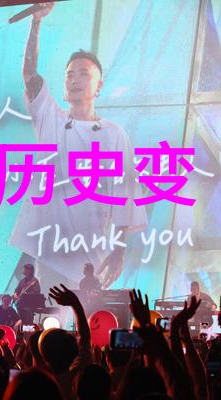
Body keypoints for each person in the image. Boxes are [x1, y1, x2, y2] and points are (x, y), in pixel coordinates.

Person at [9, 2, 147, 290]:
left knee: (85, 312)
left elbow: (125, 194)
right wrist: (36, 23)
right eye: (70, 74)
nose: (75, 79)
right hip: (50, 252)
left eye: (84, 73)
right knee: (48, 312)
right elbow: (30, 76)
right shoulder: (50, 119)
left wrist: (119, 250)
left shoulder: (114, 135)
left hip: (90, 254)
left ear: (99, 85)